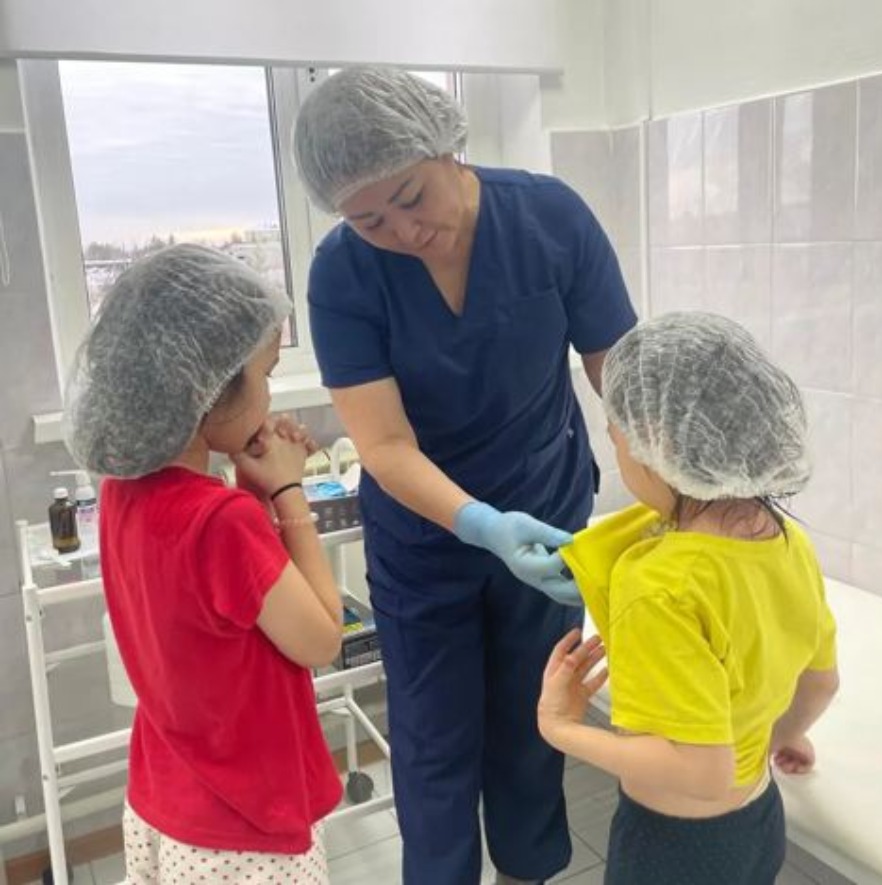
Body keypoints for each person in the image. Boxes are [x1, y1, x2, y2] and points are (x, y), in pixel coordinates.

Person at [292, 66, 637, 885]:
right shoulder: (342, 273)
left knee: (533, 722)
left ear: (447, 146)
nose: (402, 230)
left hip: (547, 515)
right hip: (423, 539)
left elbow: (621, 377)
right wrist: (480, 524)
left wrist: (671, 488)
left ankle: (528, 873)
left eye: (411, 196)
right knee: (432, 744)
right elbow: (383, 443)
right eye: (369, 219)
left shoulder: (550, 217)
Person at [63, 244, 345, 884]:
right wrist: (287, 490)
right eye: (265, 373)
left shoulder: (120, 492)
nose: (269, 393)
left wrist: (249, 489)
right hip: (242, 831)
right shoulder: (222, 521)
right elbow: (322, 638)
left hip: (165, 796)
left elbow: (219, 607)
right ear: (208, 390)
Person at [536, 312, 840, 885]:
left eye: (617, 437)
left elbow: (701, 773)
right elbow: (820, 681)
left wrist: (562, 729)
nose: (618, 451)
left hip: (676, 850)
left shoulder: (659, 585)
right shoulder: (784, 540)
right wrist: (780, 735)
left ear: (656, 446)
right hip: (759, 819)